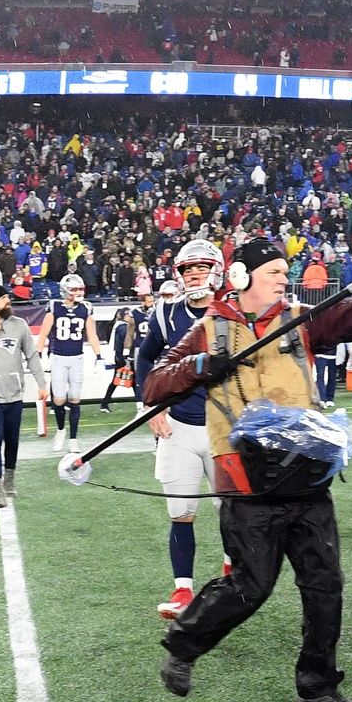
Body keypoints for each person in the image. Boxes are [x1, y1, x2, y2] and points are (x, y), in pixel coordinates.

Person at [145, 236, 352, 702]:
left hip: (305, 476)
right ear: (241, 276)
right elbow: (155, 382)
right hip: (246, 482)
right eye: (274, 269)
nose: (283, 277)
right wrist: (200, 365)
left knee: (325, 585)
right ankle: (184, 645)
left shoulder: (300, 318)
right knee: (250, 586)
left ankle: (317, 686)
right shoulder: (208, 330)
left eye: (284, 270)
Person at [139, 239, 230, 620]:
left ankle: (232, 577)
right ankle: (182, 590)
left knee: (232, 510)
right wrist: (149, 405)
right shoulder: (165, 313)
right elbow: (144, 357)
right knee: (180, 513)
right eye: (186, 270)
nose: (193, 275)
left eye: (201, 268)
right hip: (178, 426)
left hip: (223, 427)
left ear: (217, 270)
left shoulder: (231, 312)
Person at [0, 281, 48, 505]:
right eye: (3, 298)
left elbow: (32, 356)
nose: (8, 301)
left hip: (15, 395)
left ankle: (9, 480)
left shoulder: (19, 325)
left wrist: (42, 383)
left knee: (13, 440)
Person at [36, 273, 99, 453]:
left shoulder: (86, 308)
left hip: (77, 358)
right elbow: (44, 332)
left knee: (74, 398)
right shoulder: (55, 306)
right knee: (59, 398)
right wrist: (39, 352)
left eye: (80, 289)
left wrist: (99, 356)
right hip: (58, 357)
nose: (78, 292)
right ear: (65, 290)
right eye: (74, 289)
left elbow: (92, 334)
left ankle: (73, 439)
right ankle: (61, 431)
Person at [100, 285, 152, 411]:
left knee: (125, 380)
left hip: (121, 356)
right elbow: (126, 340)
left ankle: (106, 403)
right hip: (121, 357)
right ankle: (139, 404)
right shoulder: (122, 326)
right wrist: (125, 356)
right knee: (130, 380)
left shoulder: (118, 325)